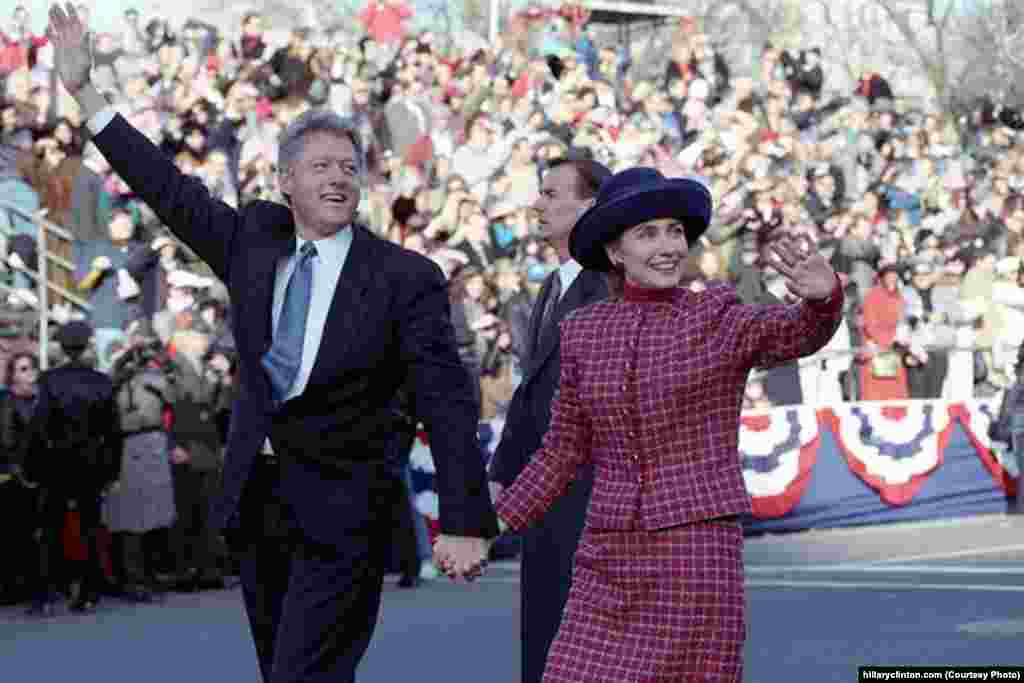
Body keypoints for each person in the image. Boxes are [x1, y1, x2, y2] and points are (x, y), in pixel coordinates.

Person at [46, 5, 494, 682]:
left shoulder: (405, 277)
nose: (338, 177)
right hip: (259, 508)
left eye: (349, 166)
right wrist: (86, 92)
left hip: (345, 514)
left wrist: (464, 518)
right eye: (319, 165)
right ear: (285, 182)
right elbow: (166, 187)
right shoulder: (252, 243)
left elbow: (448, 399)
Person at [487, 167, 844, 681]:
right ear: (615, 251)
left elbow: (793, 334)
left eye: (675, 230)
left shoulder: (717, 316)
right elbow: (562, 450)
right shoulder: (583, 332)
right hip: (606, 557)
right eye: (647, 232)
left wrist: (823, 299)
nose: (667, 245)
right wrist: (493, 523)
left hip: (694, 555)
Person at [487, 156, 612, 683]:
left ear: (590, 207)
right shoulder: (552, 288)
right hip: (548, 498)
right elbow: (531, 393)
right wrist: (499, 473)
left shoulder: (604, 288)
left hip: (585, 500)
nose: (538, 205)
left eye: (552, 194)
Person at [22, 321, 122, 616]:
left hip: (55, 463)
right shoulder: (102, 382)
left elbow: (39, 428)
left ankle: (46, 595)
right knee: (91, 528)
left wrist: (31, 466)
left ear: (62, 347)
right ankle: (88, 594)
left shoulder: (49, 381)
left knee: (49, 530)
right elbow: (113, 432)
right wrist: (113, 471)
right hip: (91, 463)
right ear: (88, 345)